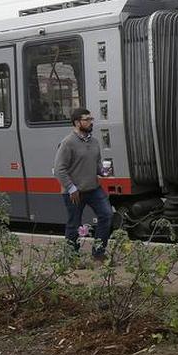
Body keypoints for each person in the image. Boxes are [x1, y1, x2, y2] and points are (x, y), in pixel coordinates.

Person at [54, 108, 113, 259]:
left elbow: (97, 164)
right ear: (77, 122)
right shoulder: (67, 143)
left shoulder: (94, 142)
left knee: (106, 215)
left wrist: (103, 171)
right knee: (74, 224)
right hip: (74, 192)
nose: (90, 122)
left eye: (90, 119)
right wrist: (71, 188)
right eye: (86, 120)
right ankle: (71, 256)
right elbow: (59, 169)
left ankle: (98, 253)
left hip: (93, 189)